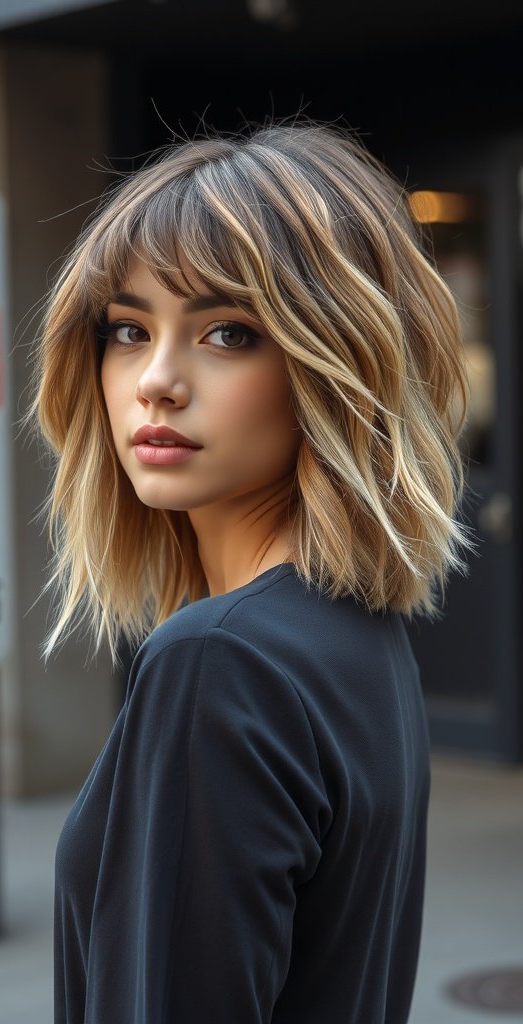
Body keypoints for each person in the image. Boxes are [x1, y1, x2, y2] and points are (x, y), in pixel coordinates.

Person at [32, 117, 474, 1024]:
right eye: (127, 329)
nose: (156, 379)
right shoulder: (352, 636)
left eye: (228, 333)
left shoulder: (218, 661)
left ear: (336, 366)